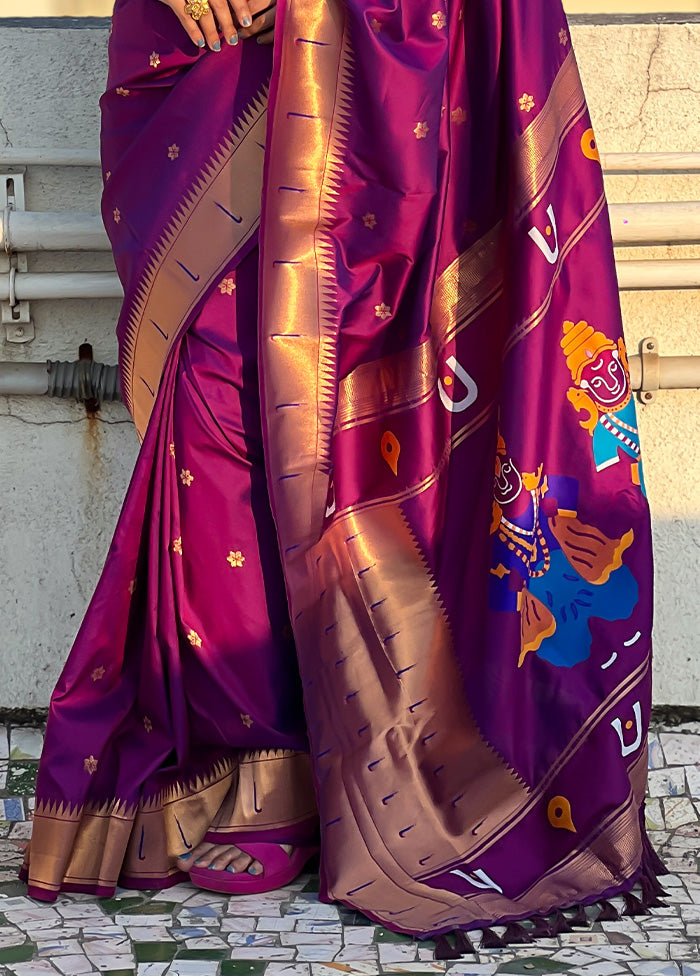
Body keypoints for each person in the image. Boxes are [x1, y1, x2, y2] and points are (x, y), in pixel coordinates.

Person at [22, 0, 663, 953]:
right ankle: (256, 744)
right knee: (219, 371)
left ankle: (345, 748)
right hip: (198, 37)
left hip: (402, 31)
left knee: (320, 382)